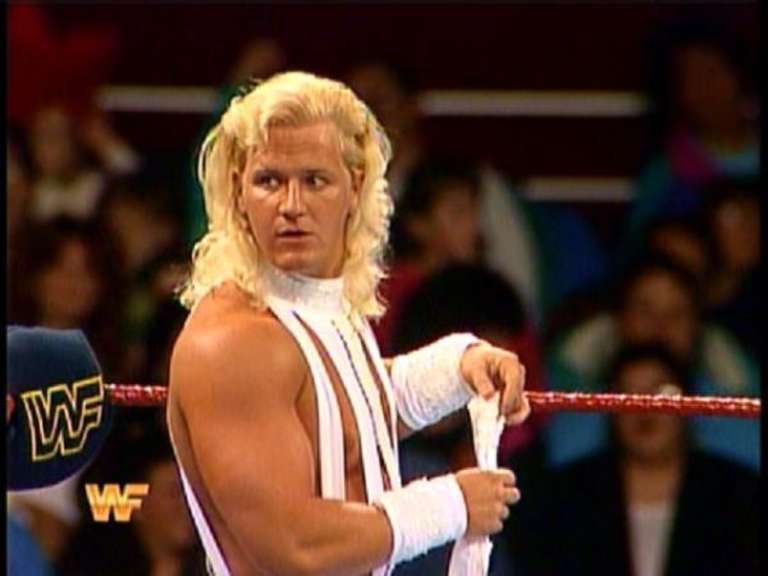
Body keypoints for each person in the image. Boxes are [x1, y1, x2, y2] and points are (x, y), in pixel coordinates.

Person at [168, 71, 530, 575]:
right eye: (269, 181)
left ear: (354, 186)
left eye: (314, 180)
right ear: (238, 192)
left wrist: (457, 367)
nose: (291, 206)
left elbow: (342, 418)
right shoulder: (233, 342)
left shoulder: (320, 307)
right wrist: (450, 506)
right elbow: (295, 546)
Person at [517, 344, 758, 576]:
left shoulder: (742, 496)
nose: (645, 409)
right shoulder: (564, 499)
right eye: (627, 395)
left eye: (662, 393)